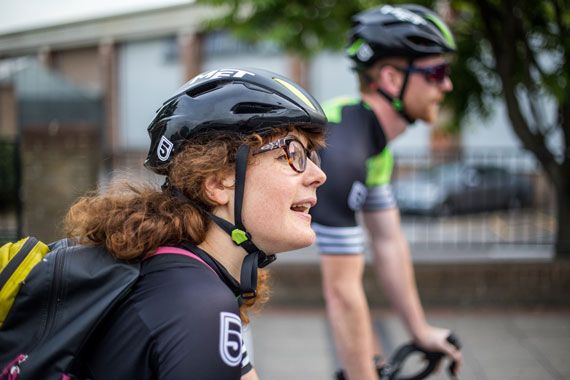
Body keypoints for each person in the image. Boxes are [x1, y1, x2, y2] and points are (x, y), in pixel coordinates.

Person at [64, 68, 327, 379]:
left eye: (312, 157)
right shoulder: (197, 306)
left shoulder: (172, 276)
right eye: (291, 154)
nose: (317, 175)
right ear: (217, 182)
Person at [310, 4, 463, 379]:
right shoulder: (342, 149)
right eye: (437, 72)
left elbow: (388, 241)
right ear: (393, 80)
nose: (447, 85)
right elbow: (342, 292)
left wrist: (419, 330)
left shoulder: (373, 145)